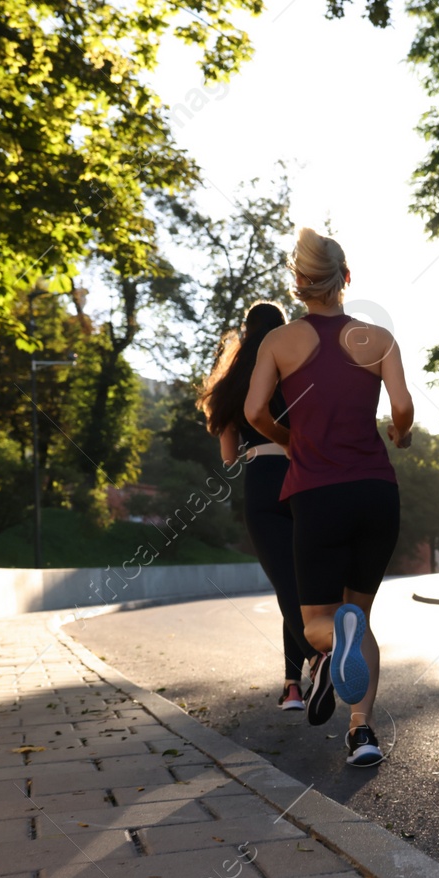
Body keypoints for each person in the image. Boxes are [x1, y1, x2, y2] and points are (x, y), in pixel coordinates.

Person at [245, 228, 414, 769]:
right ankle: (362, 734)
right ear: (346, 277)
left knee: (319, 618)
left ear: (297, 285)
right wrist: (400, 434)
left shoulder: (278, 342)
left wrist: (294, 442)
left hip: (317, 495)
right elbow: (404, 408)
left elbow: (252, 413)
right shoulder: (378, 339)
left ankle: (329, 648)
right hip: (375, 493)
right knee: (359, 617)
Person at [197, 301, 321, 712]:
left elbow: (229, 457)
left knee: (287, 583)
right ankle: (293, 683)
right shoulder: (296, 366)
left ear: (246, 332)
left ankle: (318, 661)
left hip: (263, 480)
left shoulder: (234, 381)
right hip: (306, 478)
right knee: (303, 583)